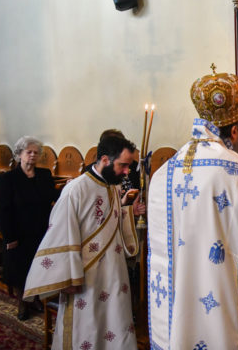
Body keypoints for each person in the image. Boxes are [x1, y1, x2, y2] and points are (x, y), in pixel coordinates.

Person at [147, 68, 238, 349]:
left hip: (178, 302)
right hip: (223, 297)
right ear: (235, 130)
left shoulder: (164, 173)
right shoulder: (236, 172)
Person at [23, 135, 146, 349]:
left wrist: (128, 212)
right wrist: (68, 277)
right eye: (123, 165)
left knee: (115, 321)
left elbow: (108, 225)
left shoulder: (113, 186)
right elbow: (61, 233)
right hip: (85, 276)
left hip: (114, 273)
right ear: (105, 160)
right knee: (87, 327)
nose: (127, 171)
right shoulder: (75, 190)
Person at [0, 136, 59, 320]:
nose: (32, 155)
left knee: (38, 266)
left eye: (36, 153)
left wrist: (71, 189)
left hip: (41, 231)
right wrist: (10, 238)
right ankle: (23, 302)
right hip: (18, 233)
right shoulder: (8, 179)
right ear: (19, 154)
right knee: (20, 269)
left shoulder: (44, 175)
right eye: (29, 152)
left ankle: (36, 298)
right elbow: (3, 210)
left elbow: (54, 196)